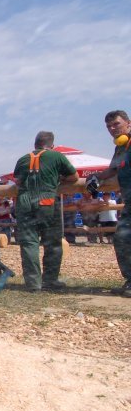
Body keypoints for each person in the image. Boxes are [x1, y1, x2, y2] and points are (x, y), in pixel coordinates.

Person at [12, 131, 78, 292]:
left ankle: (33, 284)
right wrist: (58, 179)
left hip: (25, 202)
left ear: (35, 144)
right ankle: (50, 280)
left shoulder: (23, 159)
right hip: (47, 201)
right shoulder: (56, 156)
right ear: (52, 145)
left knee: (29, 243)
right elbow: (74, 177)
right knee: (53, 242)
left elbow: (18, 181)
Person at [86, 110, 131, 297]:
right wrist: (95, 177)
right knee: (121, 239)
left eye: (116, 124)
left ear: (128, 123)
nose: (112, 129)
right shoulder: (121, 147)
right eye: (108, 126)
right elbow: (112, 169)